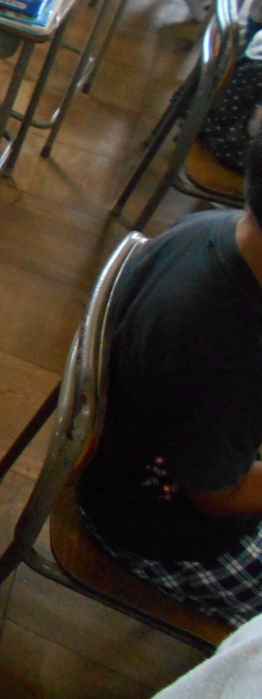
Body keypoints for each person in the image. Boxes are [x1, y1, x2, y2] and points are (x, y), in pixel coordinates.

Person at [77, 131, 262, 628]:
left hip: (146, 452)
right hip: (156, 527)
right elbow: (219, 497)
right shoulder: (229, 357)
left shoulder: (219, 227)